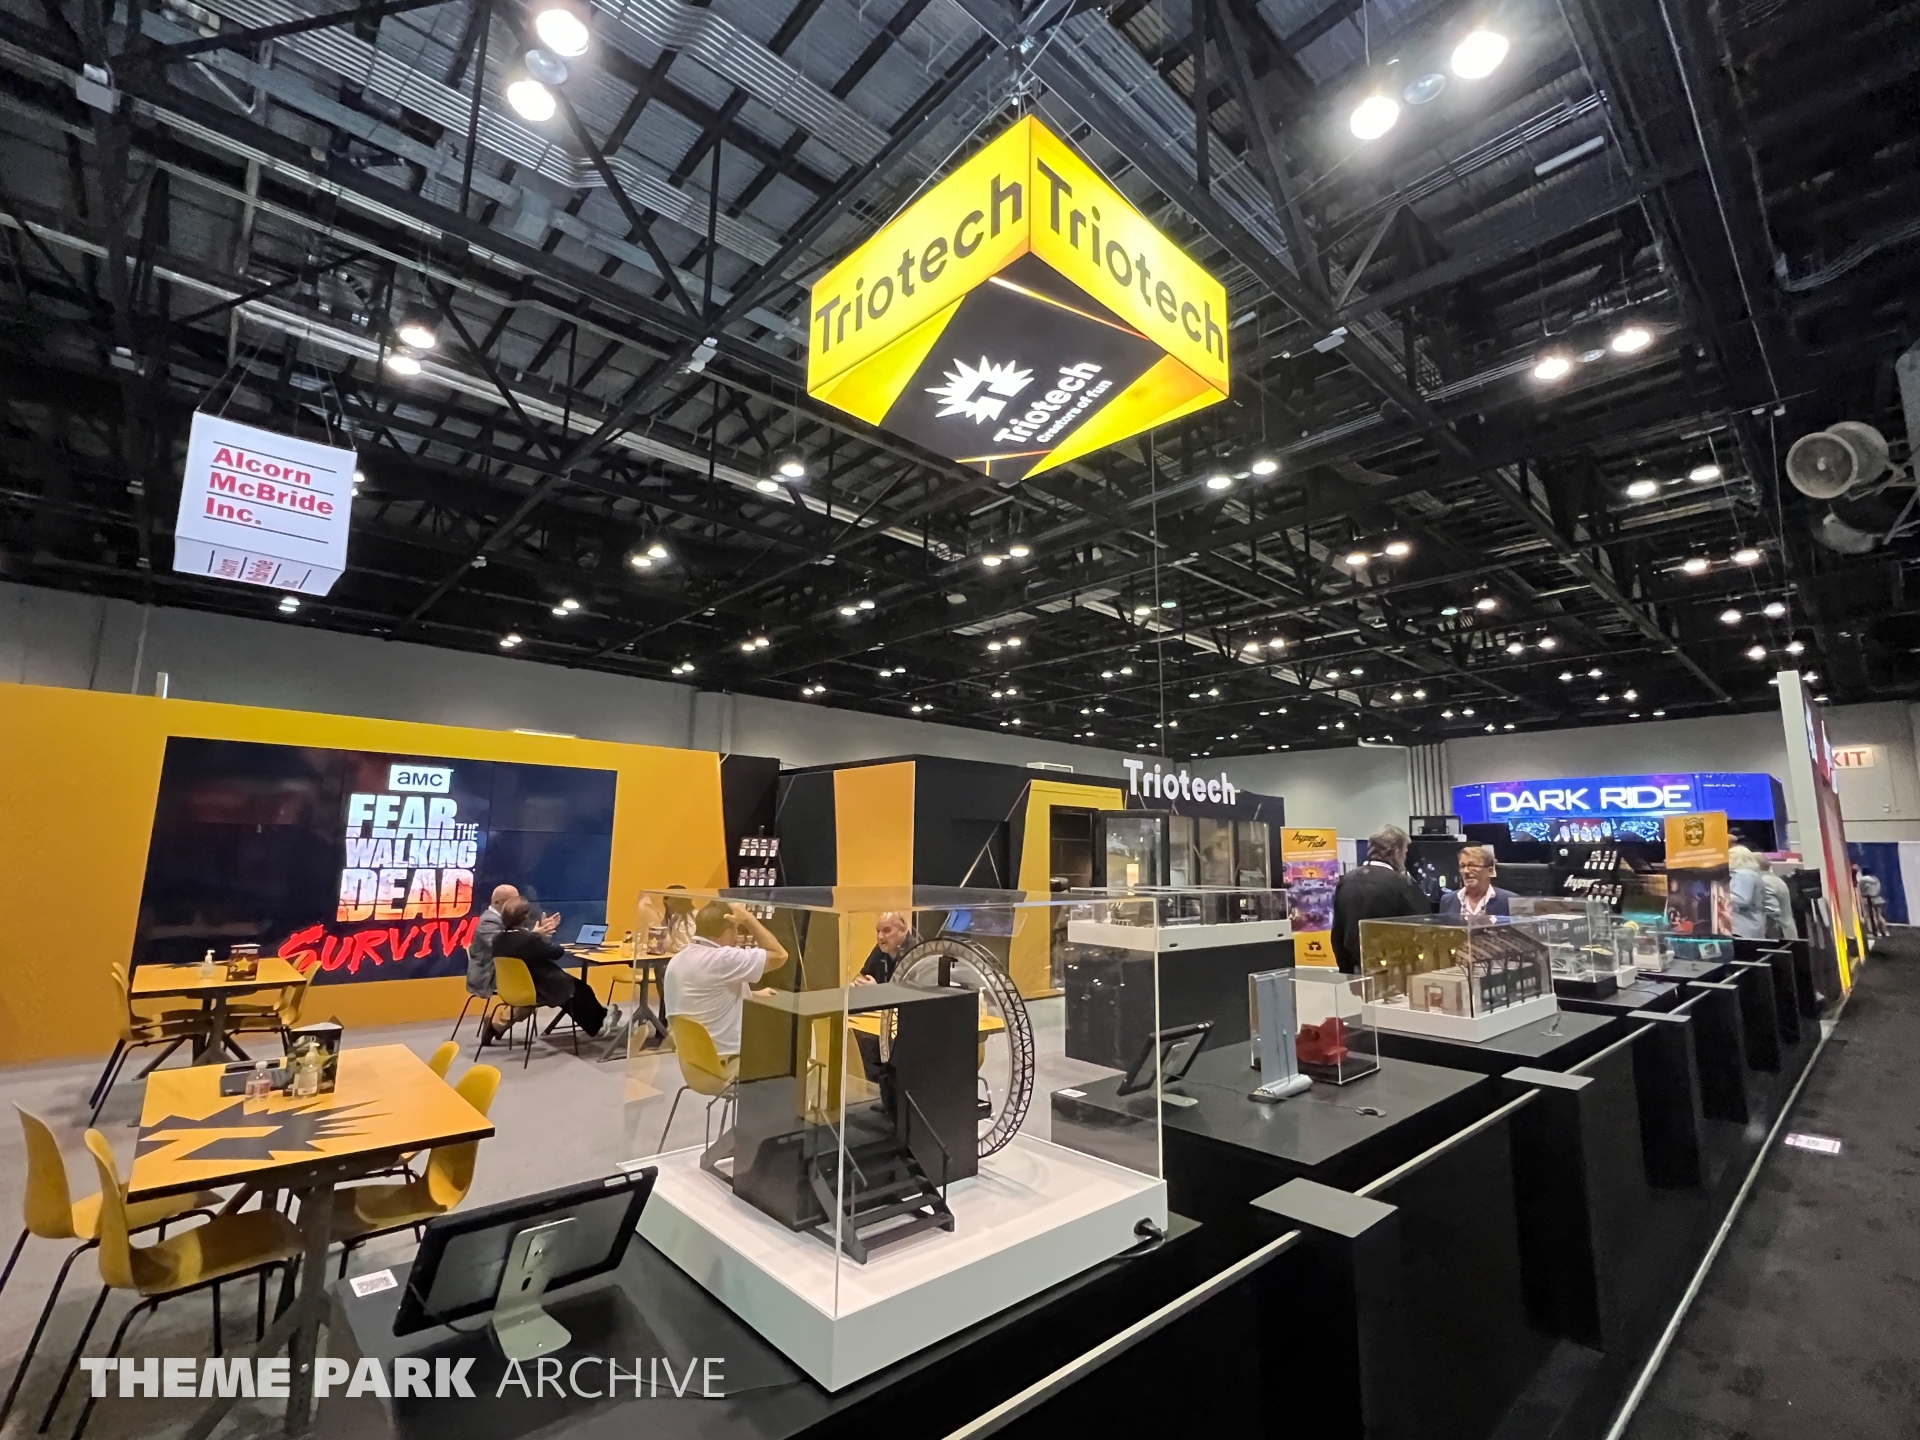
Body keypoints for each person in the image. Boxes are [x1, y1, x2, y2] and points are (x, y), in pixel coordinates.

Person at [662, 901, 789, 1058]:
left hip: (693, 1060)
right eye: (736, 929)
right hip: (728, 1060)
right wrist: (749, 919)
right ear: (728, 932)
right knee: (790, 1054)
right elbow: (780, 955)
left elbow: (705, 997)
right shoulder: (724, 959)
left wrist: (752, 995)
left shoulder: (677, 959)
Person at [482, 897, 614, 1045]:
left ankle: (495, 1025)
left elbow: (524, 946)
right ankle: (599, 1024)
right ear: (525, 917)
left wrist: (536, 935)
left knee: (574, 990)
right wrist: (542, 937)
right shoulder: (529, 940)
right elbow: (555, 953)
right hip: (541, 985)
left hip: (515, 986)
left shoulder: (498, 939)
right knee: (580, 990)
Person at [1331, 825, 1431, 975]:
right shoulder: (1403, 884)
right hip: (1395, 972)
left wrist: (1346, 971)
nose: (1405, 858)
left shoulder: (1346, 881)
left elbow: (1337, 934)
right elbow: (1423, 929)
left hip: (1355, 971)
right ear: (1396, 852)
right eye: (1405, 852)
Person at [467, 883, 557, 998]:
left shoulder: (512, 918)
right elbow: (507, 946)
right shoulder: (488, 921)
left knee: (547, 978)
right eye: (512, 901)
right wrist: (535, 935)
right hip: (489, 977)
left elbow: (521, 940)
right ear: (497, 902)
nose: (517, 905)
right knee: (547, 981)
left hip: (506, 971)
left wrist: (542, 931)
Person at [1438, 845, 1514, 919]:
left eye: (1472, 865)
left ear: (1490, 871)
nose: (1466, 871)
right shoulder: (1447, 900)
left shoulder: (1509, 900)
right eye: (1462, 866)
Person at [852, 911, 920, 986]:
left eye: (886, 931)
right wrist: (859, 983)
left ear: (902, 931)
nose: (880, 937)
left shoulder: (916, 954)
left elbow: (911, 991)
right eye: (878, 931)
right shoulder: (881, 948)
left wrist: (876, 989)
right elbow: (862, 975)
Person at [1727, 846, 1768, 940]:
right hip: (1751, 924)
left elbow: (1742, 899)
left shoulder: (1742, 875)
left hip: (1743, 925)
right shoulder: (1751, 874)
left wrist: (1722, 898)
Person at [1756, 855, 1798, 942]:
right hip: (1787, 931)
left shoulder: (1763, 881)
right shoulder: (1776, 879)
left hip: (1775, 936)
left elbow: (1771, 912)